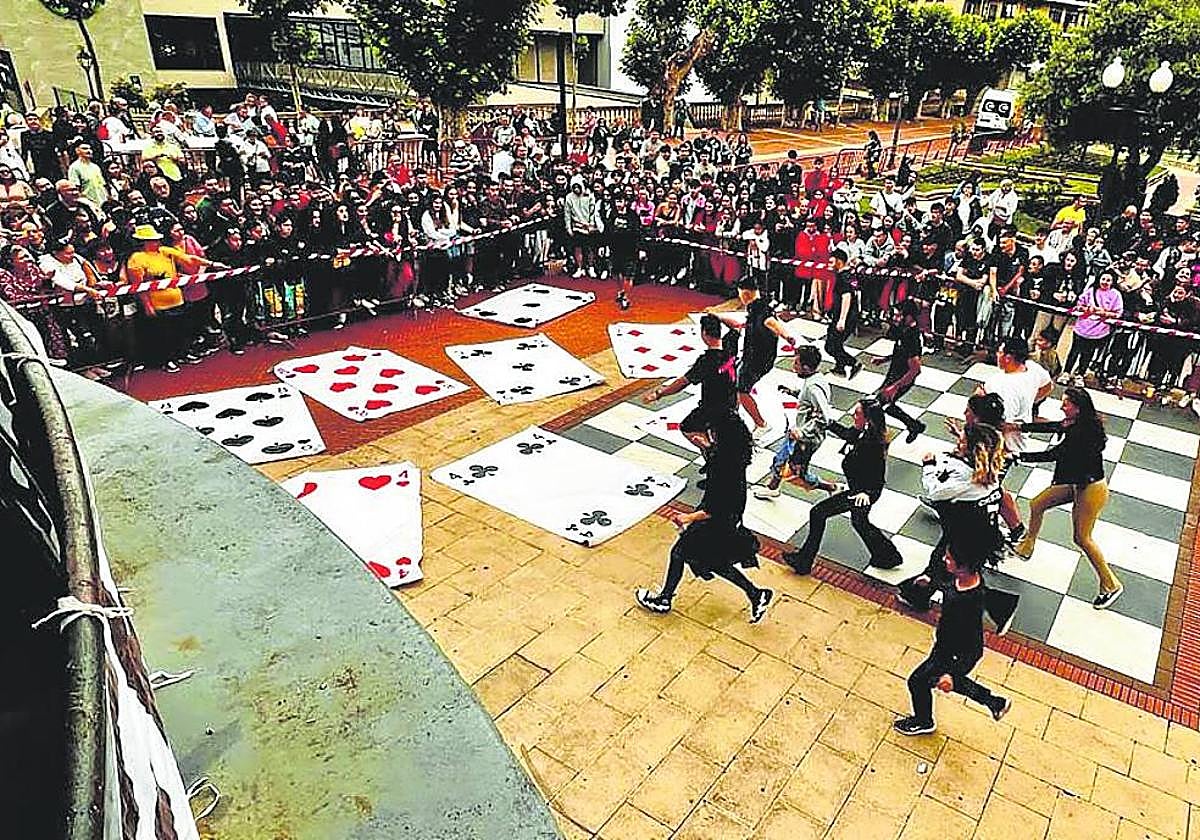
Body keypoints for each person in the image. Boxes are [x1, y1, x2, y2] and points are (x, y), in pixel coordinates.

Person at [635, 411, 773, 623]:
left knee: (680, 553)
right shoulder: (737, 455)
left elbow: (715, 507)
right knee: (714, 561)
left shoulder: (721, 464)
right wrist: (708, 447)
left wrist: (688, 518)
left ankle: (664, 599)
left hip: (715, 522)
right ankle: (756, 593)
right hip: (730, 518)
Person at [1011, 387, 1124, 609]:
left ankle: (1110, 584)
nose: (1062, 406)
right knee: (1037, 503)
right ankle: (1027, 546)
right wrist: (1019, 426)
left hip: (1091, 489)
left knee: (1082, 538)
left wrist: (1018, 455)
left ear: (1079, 408)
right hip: (1077, 484)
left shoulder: (1082, 433)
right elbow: (1053, 426)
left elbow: (1054, 454)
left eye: (1066, 403)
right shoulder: (1074, 423)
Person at [893, 530, 1012, 737]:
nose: (944, 560)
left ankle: (924, 721)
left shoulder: (969, 602)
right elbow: (948, 585)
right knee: (934, 680)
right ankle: (994, 702)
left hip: (954, 653)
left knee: (918, 681)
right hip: (945, 646)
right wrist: (930, 582)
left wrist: (952, 672)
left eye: (949, 558)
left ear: (963, 566)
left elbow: (971, 647)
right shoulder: (962, 579)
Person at [783, 397, 903, 573]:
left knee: (818, 513)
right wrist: (828, 422)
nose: (853, 416)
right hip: (858, 489)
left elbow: (878, 478)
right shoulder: (863, 432)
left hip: (862, 493)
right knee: (859, 522)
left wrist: (868, 494)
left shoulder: (872, 444)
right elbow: (848, 434)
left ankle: (804, 561)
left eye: (857, 414)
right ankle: (888, 556)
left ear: (867, 419)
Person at [977, 337, 1053, 544]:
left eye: (1000, 352)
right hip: (1015, 443)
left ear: (1009, 357)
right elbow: (1048, 386)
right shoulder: (1033, 369)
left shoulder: (999, 383)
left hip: (998, 445)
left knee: (987, 488)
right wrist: (1029, 404)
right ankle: (1016, 528)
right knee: (991, 485)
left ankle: (998, 531)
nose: (997, 356)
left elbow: (996, 420)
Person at [643, 313, 737, 456]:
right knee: (715, 432)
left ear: (704, 334)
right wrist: (718, 318)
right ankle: (714, 451)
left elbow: (682, 383)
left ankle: (711, 451)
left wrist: (659, 393)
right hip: (732, 402)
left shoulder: (706, 361)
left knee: (688, 427)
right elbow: (736, 326)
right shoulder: (730, 346)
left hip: (711, 407)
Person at [753, 344, 839, 499]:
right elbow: (810, 401)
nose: (793, 368)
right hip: (798, 433)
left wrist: (802, 432)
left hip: (806, 438)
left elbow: (824, 416)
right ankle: (773, 487)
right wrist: (794, 393)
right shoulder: (816, 379)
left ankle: (831, 487)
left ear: (806, 367)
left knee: (798, 471)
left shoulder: (814, 388)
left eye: (796, 364)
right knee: (781, 459)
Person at [711, 278, 792, 440]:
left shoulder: (762, 312)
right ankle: (732, 414)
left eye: (740, 293)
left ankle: (761, 424)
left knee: (742, 390)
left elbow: (773, 324)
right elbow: (741, 325)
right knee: (733, 381)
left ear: (745, 293)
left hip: (758, 360)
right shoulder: (755, 308)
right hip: (750, 357)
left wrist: (788, 337)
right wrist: (718, 317)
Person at [872, 298, 927, 443]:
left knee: (877, 405)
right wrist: (884, 359)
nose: (895, 318)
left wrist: (895, 387)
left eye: (899, 315)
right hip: (894, 374)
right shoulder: (904, 331)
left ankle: (878, 438)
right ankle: (914, 425)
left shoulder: (912, 337)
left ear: (909, 317)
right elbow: (902, 353)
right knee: (886, 406)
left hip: (902, 378)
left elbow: (915, 369)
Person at [824, 248, 862, 378]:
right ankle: (840, 367)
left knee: (831, 346)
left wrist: (842, 319)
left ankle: (853, 363)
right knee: (836, 342)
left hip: (845, 316)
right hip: (844, 315)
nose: (829, 262)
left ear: (839, 261)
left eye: (832, 260)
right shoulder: (849, 275)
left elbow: (847, 297)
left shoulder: (844, 277)